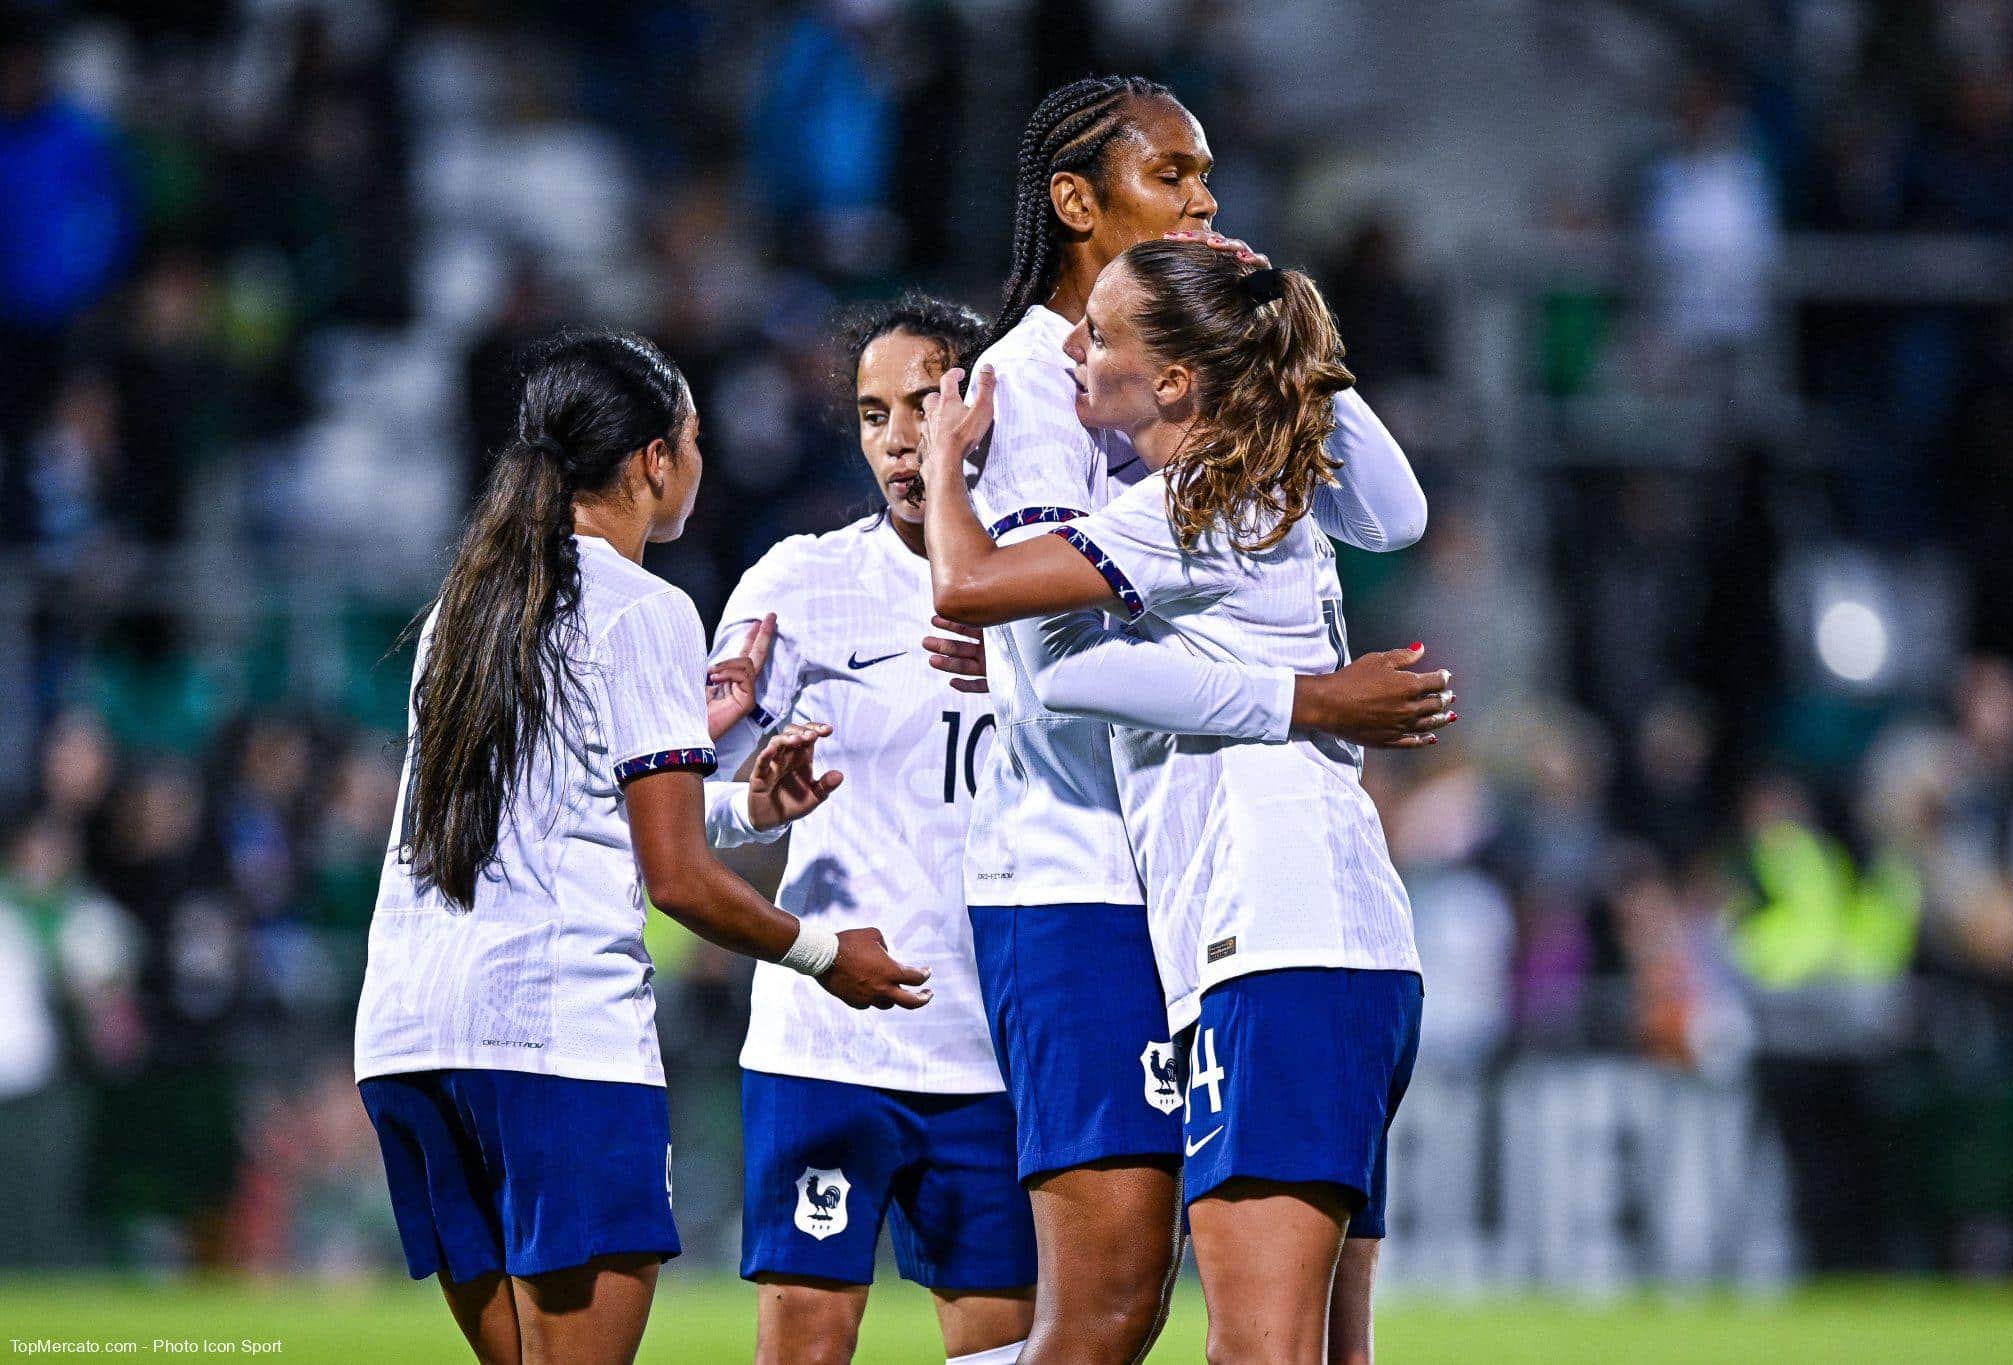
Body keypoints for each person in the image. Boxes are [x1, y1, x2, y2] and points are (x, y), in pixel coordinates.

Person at [948, 75, 1448, 1365]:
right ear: (1076, 200)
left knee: (1265, 1325)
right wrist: (1310, 698)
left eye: (1205, 175)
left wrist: (1273, 333)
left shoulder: (1209, 430)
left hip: (1231, 895)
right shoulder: (1029, 380)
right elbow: (1036, 652)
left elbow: (1387, 516)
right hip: (1091, 880)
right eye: (1171, 175)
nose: (1203, 199)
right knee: (1119, 1311)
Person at [352, 330, 931, 1365]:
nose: (700, 463)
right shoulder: (643, 609)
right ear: (654, 461)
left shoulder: (462, 611)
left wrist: (747, 809)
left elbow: (561, 810)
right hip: (553, 1040)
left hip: (408, 1039)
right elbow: (673, 880)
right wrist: (823, 957)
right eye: (695, 440)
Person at [707, 296, 1035, 1365]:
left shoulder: (1058, 581)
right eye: (869, 412)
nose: (899, 438)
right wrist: (754, 803)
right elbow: (685, 795)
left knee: (998, 1350)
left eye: (925, 402)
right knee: (803, 1346)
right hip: (827, 1037)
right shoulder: (801, 584)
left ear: (982, 404)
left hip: (998, 1040)